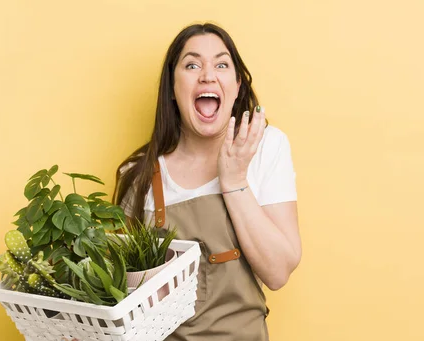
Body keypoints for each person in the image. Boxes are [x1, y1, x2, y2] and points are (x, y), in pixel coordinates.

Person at [113, 22, 301, 340]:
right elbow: (125, 296)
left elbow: (278, 271)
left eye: (222, 64)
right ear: (172, 88)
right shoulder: (138, 174)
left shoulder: (266, 146)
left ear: (237, 84)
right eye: (192, 64)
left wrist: (235, 179)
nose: (208, 75)